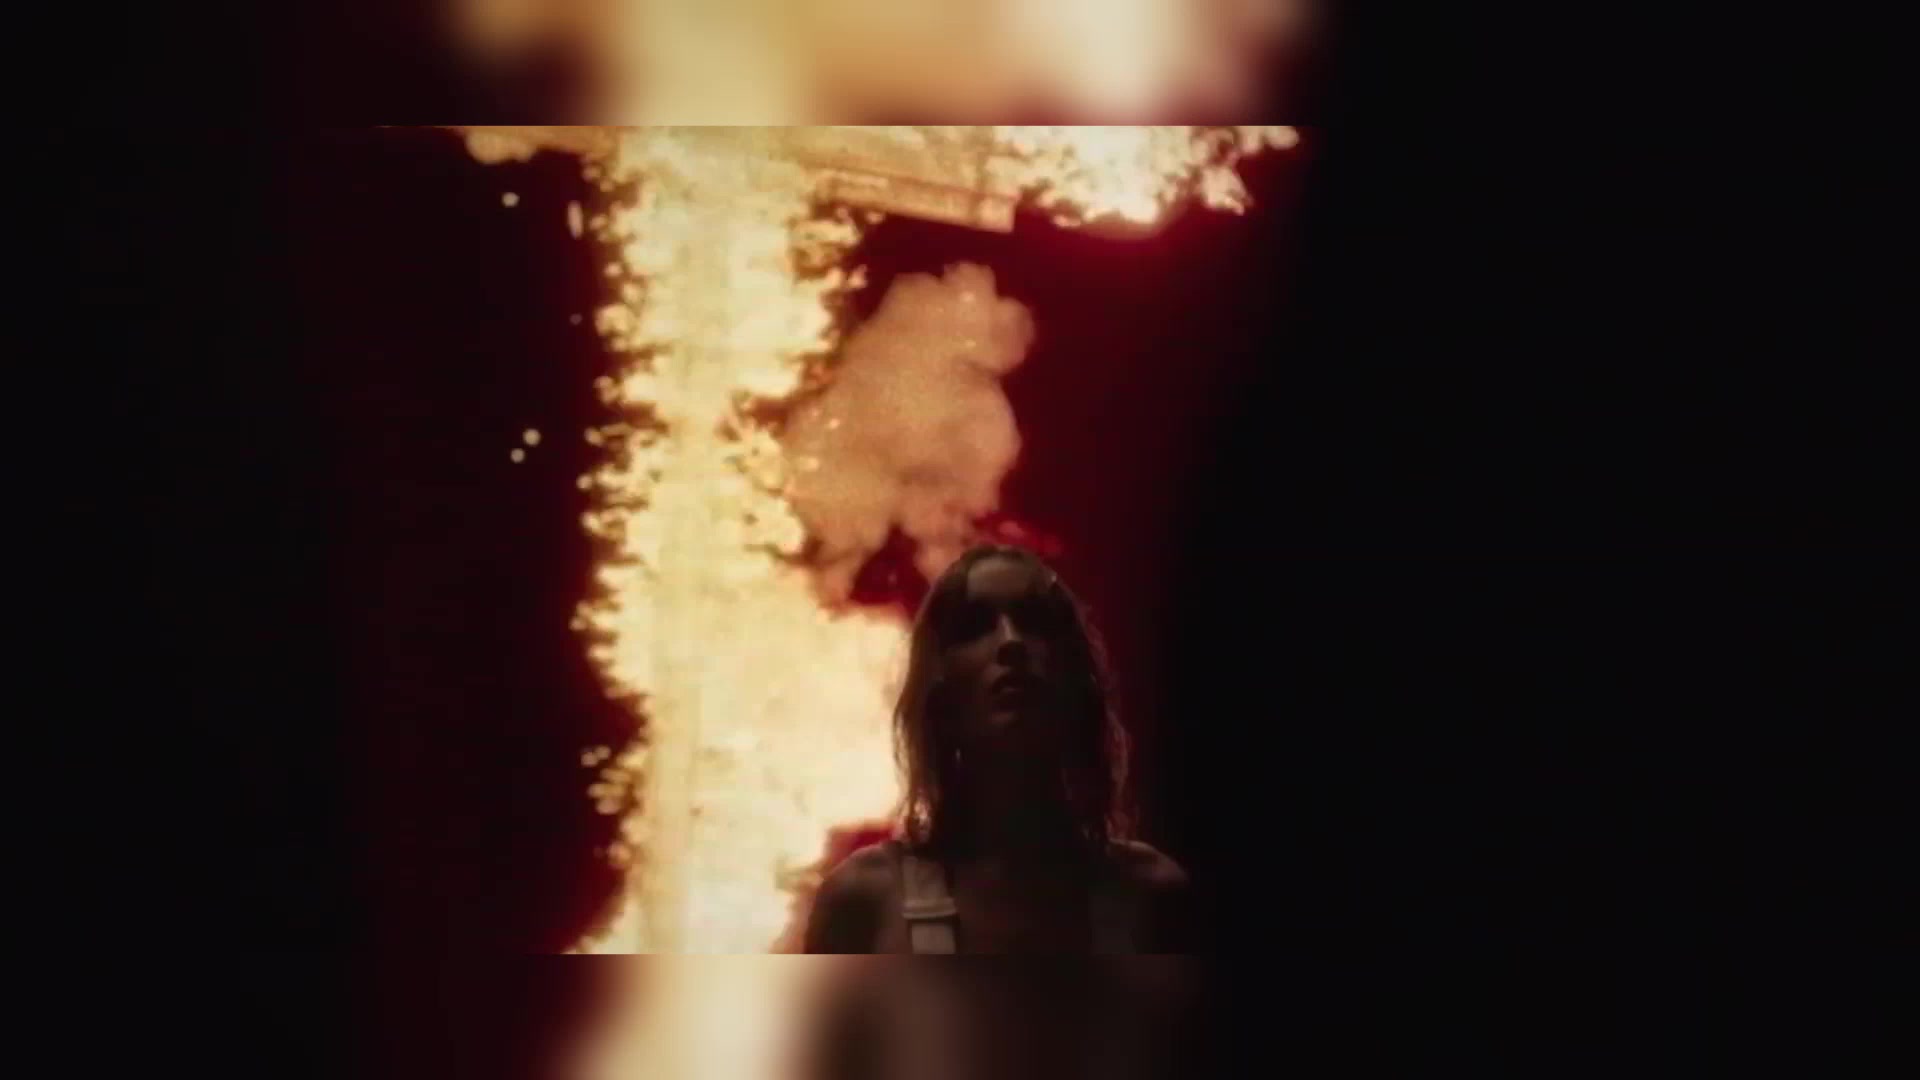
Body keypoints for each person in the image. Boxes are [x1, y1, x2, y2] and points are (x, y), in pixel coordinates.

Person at [804, 543, 1194, 954]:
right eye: (974, 627)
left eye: (1035, 622)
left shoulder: (1152, 898)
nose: (1010, 643)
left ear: (1073, 673)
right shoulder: (864, 902)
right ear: (938, 686)